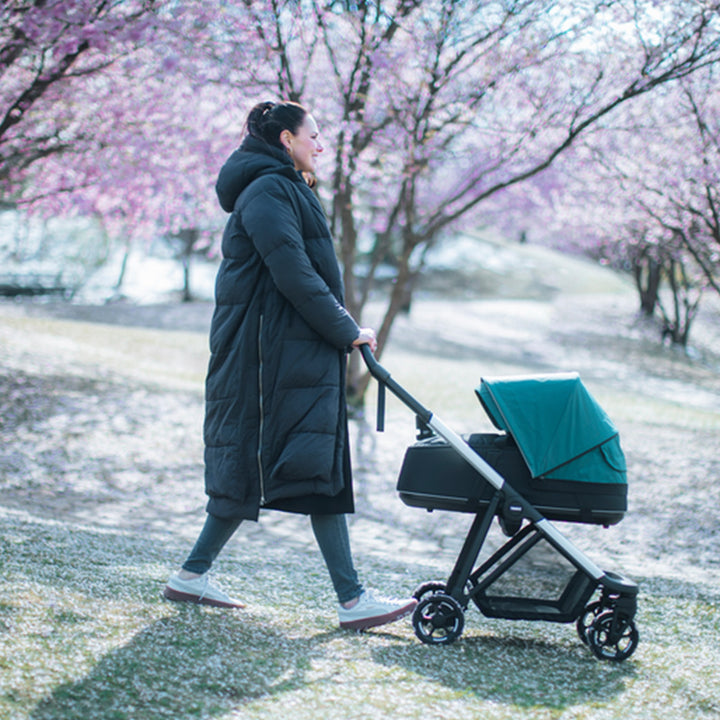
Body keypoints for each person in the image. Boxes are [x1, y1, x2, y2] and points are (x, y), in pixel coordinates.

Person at [163, 100, 417, 631]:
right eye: (314, 135)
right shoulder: (269, 191)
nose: (322, 145)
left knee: (312, 464)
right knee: (290, 466)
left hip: (287, 352)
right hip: (264, 358)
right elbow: (294, 272)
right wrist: (347, 328)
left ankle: (193, 576)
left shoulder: (284, 188)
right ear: (285, 139)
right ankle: (351, 599)